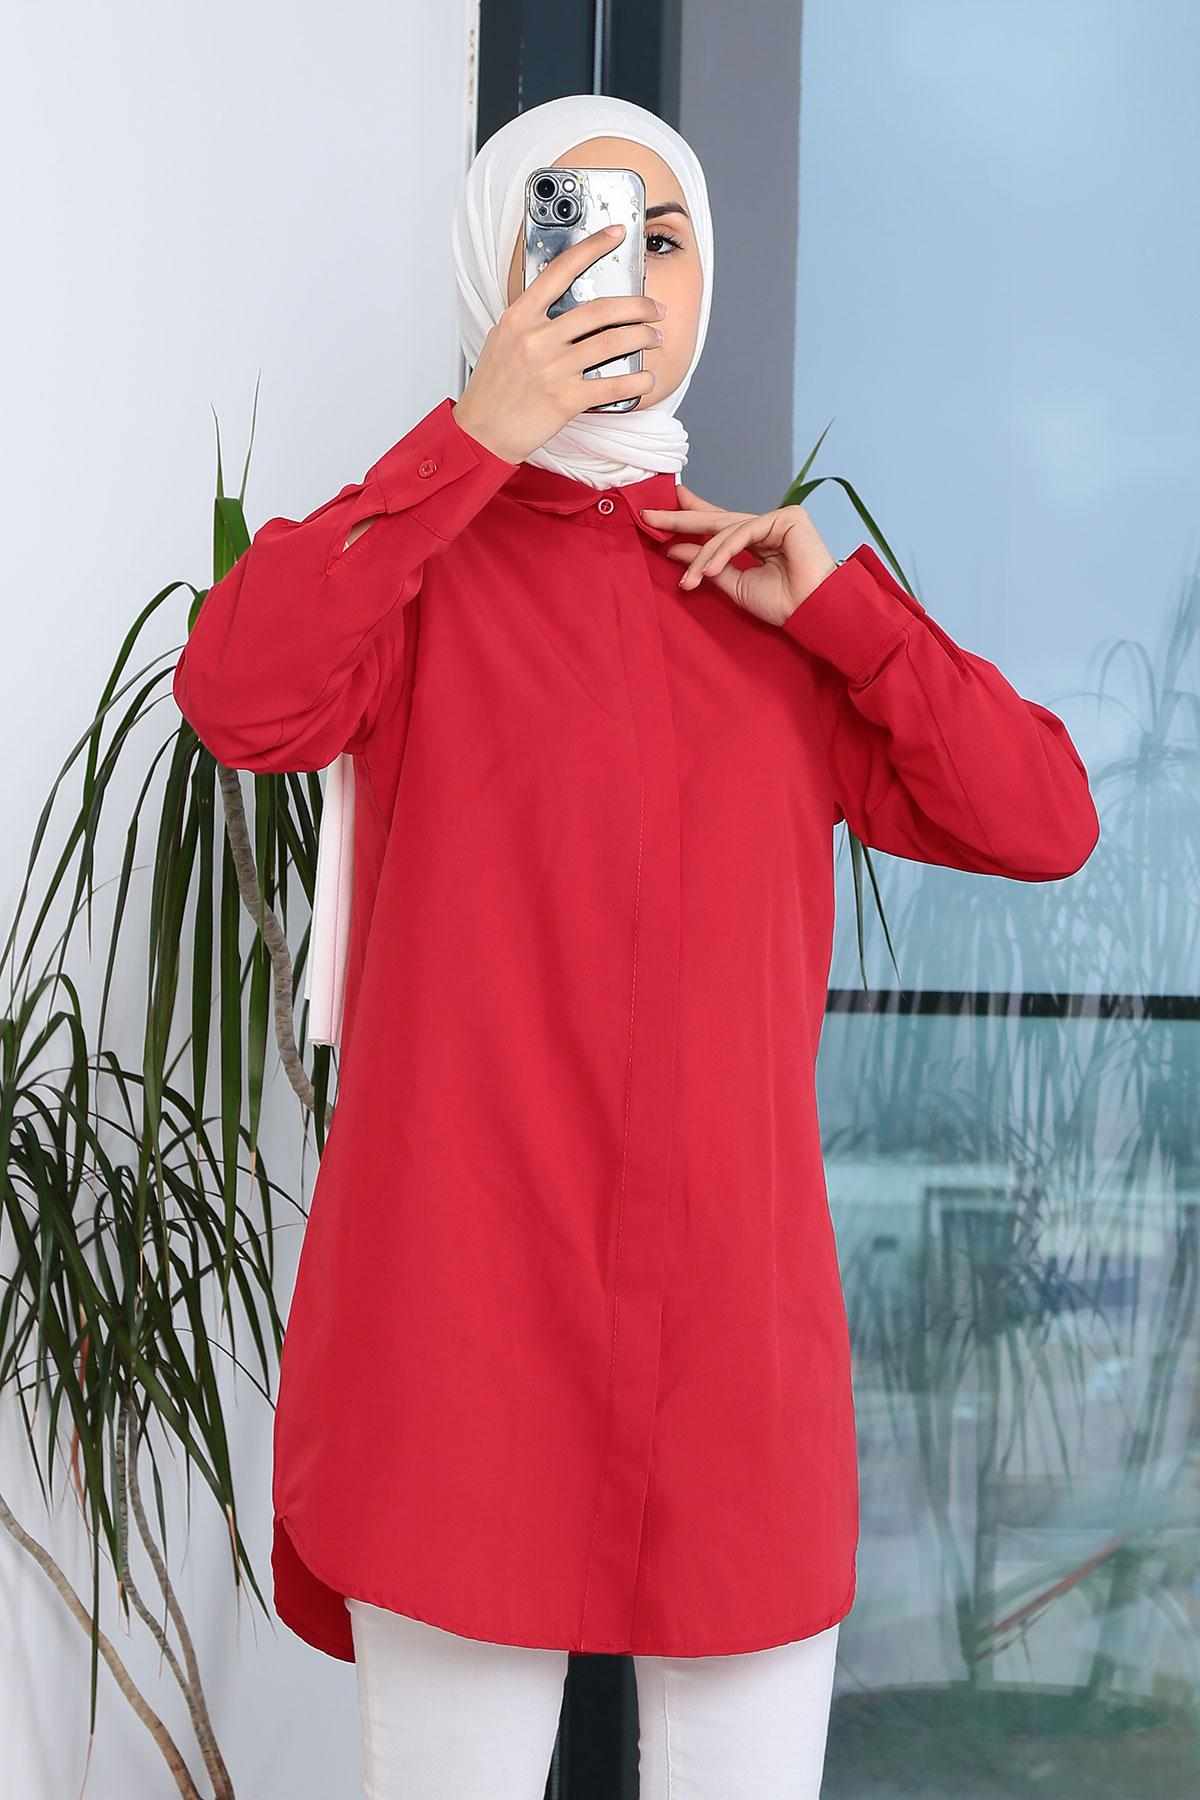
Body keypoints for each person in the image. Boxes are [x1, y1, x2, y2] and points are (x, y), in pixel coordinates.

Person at [171, 93, 1100, 1800]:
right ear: (502, 270)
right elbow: (238, 695)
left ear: (706, 282)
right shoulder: (415, 580)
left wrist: (847, 612)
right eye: (581, 232)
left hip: (732, 1356)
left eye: (663, 239)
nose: (629, 274)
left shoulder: (768, 605)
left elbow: (1044, 819)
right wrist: (467, 441)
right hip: (460, 1335)